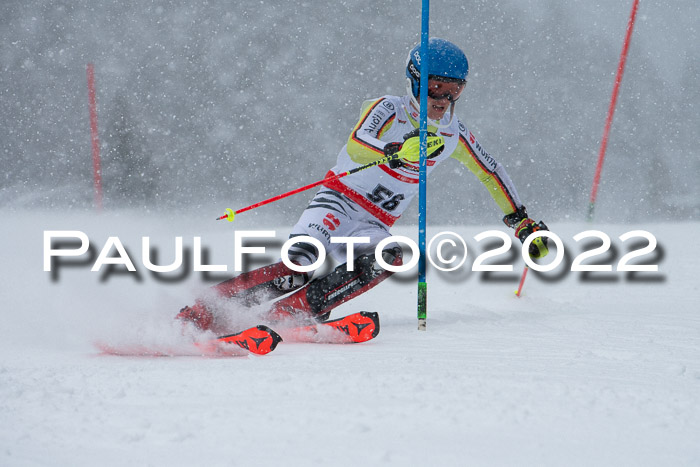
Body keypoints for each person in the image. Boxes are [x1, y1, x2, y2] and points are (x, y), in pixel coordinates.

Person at [177, 37, 549, 333]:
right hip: (337, 202)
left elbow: (490, 170)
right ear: (417, 81)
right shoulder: (388, 108)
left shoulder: (454, 134)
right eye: (436, 88)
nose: (444, 100)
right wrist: (397, 150)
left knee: (393, 257)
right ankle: (204, 309)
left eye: (455, 90)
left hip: (373, 223)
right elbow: (359, 141)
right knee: (300, 265)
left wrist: (520, 220)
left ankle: (296, 311)